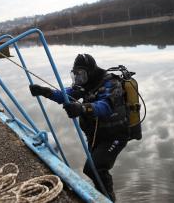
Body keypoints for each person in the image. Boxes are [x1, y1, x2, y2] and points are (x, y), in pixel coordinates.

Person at [29, 54, 128, 202]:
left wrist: (82, 108)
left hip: (115, 135)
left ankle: (108, 199)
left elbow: (106, 106)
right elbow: (66, 95)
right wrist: (45, 92)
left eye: (81, 73)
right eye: (76, 74)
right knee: (95, 170)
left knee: (93, 168)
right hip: (95, 135)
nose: (78, 78)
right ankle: (102, 195)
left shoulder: (111, 83)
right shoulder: (85, 83)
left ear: (91, 71)